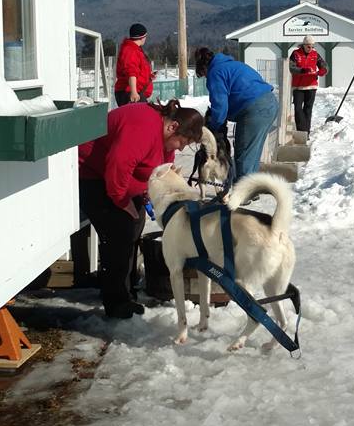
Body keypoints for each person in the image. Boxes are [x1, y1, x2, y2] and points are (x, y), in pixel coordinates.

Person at [78, 99, 203, 319]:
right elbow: (117, 166)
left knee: (136, 225)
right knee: (121, 231)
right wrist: (122, 202)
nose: (182, 148)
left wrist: (146, 194)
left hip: (118, 179)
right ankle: (116, 302)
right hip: (92, 174)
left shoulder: (164, 137)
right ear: (172, 127)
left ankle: (126, 288)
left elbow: (159, 169)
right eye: (182, 142)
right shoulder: (143, 126)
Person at [194, 47, 278, 180]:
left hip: (254, 109)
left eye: (204, 75)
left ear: (204, 69)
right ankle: (251, 188)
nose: (206, 78)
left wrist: (214, 128)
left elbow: (220, 106)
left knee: (243, 152)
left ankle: (242, 193)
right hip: (270, 102)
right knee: (253, 152)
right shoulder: (232, 65)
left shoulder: (215, 72)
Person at [289, 35, 327, 136]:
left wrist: (323, 70)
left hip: (311, 85)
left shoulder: (315, 54)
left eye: (312, 46)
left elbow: (324, 65)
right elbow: (291, 67)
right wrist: (302, 70)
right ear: (304, 45)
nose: (311, 49)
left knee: (308, 109)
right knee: (297, 108)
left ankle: (306, 133)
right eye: (308, 46)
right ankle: (302, 131)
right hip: (298, 86)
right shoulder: (295, 54)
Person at [114, 23, 154, 106]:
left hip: (137, 92)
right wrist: (134, 92)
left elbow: (137, 71)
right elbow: (131, 72)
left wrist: (149, 76)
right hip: (130, 93)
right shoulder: (130, 50)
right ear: (142, 37)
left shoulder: (135, 50)